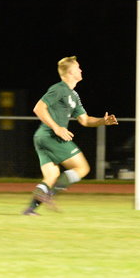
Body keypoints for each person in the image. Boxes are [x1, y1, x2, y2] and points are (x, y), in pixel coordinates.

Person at [23, 56, 118, 215]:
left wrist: (103, 121)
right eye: (78, 68)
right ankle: (50, 195)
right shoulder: (59, 88)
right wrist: (57, 128)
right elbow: (38, 108)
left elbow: (85, 120)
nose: (81, 70)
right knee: (82, 168)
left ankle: (30, 210)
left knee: (52, 176)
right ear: (70, 72)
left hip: (41, 137)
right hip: (51, 135)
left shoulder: (73, 95)